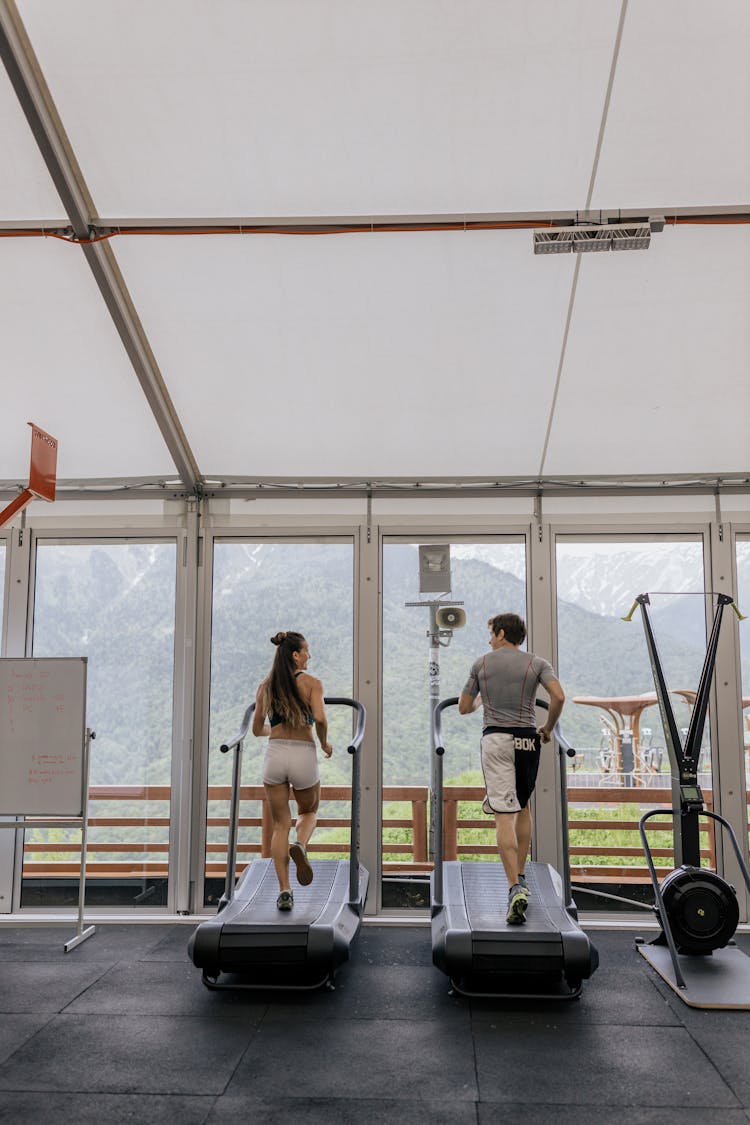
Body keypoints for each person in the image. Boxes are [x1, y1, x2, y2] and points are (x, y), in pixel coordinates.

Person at [458, 613, 565, 925]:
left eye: (491, 633)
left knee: (504, 814)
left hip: (497, 740)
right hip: (528, 740)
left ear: (502, 633)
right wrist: (547, 727)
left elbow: (465, 707)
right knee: (523, 806)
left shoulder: (481, 664)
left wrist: (482, 701)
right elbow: (558, 696)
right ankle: (521, 874)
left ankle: (513, 887)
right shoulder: (538, 663)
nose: (489, 640)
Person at [251, 631, 333, 910]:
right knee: (308, 812)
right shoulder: (312, 683)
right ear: (295, 655)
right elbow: (320, 719)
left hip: (274, 755)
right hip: (303, 754)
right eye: (306, 650)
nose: (309, 655)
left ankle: (285, 890)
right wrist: (325, 744)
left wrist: (273, 731)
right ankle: (300, 844)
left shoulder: (266, 686)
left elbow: (255, 729)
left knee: (279, 825)